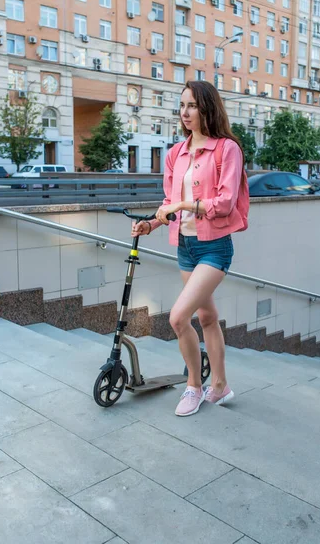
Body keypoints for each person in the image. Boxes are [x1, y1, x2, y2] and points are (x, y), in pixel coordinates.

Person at [131, 81, 248, 417]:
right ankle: (221, 386)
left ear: (207, 108)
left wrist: (184, 203)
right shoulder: (175, 154)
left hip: (215, 248)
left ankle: (194, 386)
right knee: (206, 317)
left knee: (178, 318)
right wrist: (150, 224)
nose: (185, 112)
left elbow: (224, 203)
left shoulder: (227, 149)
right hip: (185, 247)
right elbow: (169, 205)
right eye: (182, 105)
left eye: (192, 105)